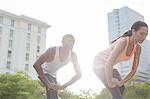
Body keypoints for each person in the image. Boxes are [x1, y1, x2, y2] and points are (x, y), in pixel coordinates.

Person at [93, 21, 148, 99]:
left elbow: (133, 70)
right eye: (141, 34)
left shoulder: (138, 48)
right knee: (117, 95)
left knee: (121, 88)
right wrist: (110, 81)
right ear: (133, 31)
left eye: (146, 34)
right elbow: (109, 62)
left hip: (109, 66)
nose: (144, 37)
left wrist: (122, 82)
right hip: (98, 65)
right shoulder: (123, 42)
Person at [33, 34, 82, 99]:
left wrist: (64, 85)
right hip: (42, 71)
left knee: (54, 94)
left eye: (73, 42)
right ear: (62, 41)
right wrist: (48, 83)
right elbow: (36, 64)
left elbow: (79, 74)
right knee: (52, 90)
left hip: (53, 75)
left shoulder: (73, 55)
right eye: (69, 41)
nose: (71, 43)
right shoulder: (52, 50)